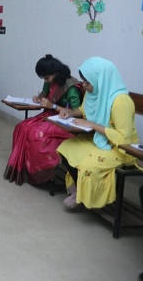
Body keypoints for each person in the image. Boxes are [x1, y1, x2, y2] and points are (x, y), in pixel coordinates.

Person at [57, 57, 139, 209]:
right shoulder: (95, 92)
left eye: (87, 81)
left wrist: (93, 125)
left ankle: (86, 195)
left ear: (101, 80)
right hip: (100, 139)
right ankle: (80, 190)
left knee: (87, 165)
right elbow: (83, 110)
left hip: (121, 148)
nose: (84, 85)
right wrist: (69, 113)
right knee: (66, 148)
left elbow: (123, 138)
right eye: (84, 81)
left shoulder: (121, 101)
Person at [3, 55, 84, 185]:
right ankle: (23, 169)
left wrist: (53, 106)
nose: (45, 81)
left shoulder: (71, 87)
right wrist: (38, 97)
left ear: (55, 73)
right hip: (48, 115)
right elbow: (44, 94)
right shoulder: (49, 80)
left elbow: (77, 113)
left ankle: (40, 173)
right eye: (43, 79)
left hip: (64, 122)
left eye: (46, 78)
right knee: (21, 127)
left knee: (36, 134)